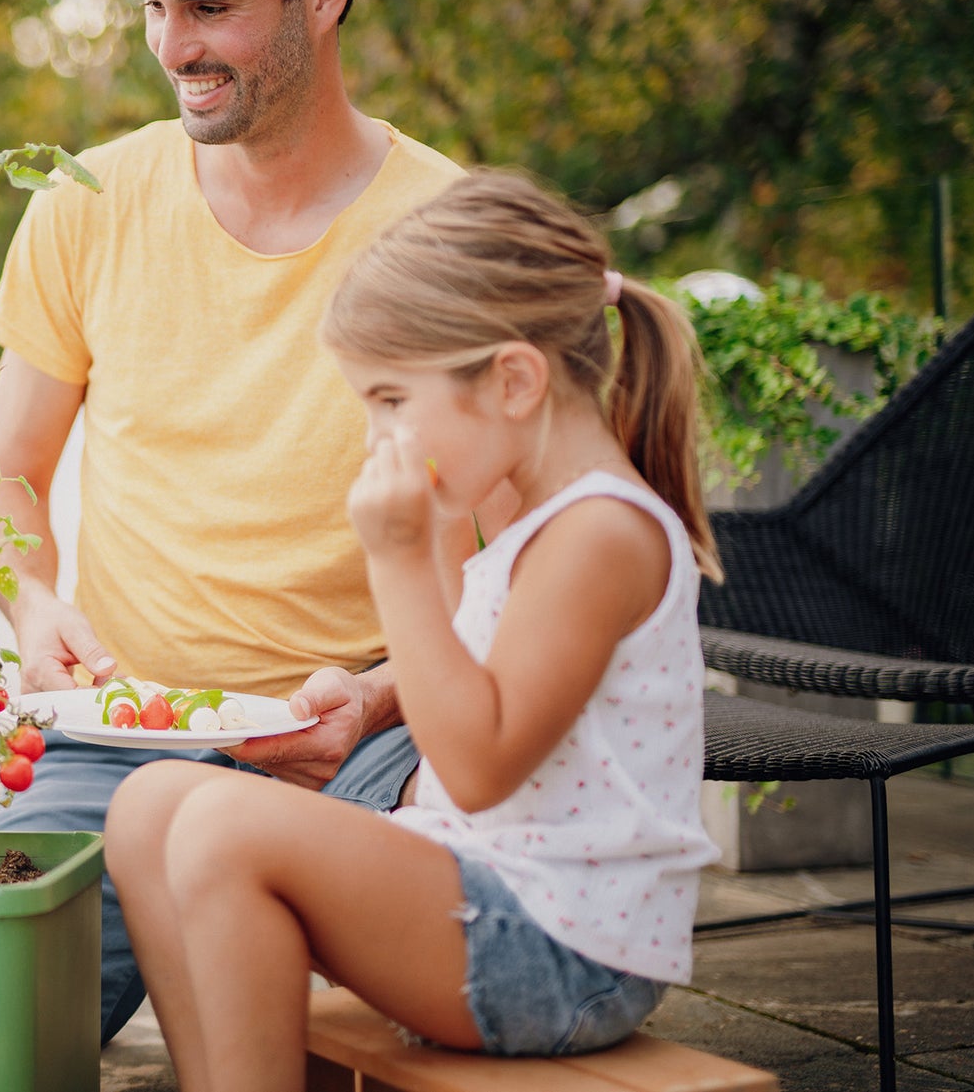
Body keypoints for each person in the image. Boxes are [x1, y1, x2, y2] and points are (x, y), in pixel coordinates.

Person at [0, 0, 468, 1040]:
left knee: (374, 1014)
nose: (171, 46)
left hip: (359, 743)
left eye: (209, 8)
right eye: (151, 6)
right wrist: (33, 606)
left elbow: (497, 570)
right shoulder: (87, 202)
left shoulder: (448, 234)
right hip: (113, 733)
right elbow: (14, 477)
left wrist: (367, 704)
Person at [106, 171, 724, 1091]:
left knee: (222, 831)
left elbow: (475, 765)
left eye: (391, 400)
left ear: (514, 380)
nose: (375, 437)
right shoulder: (524, 503)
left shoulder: (601, 534)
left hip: (563, 950)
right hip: (488, 894)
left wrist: (397, 559)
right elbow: (465, 679)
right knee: (149, 805)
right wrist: (437, 539)